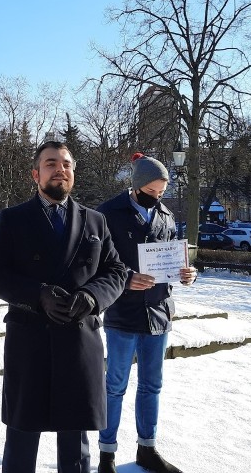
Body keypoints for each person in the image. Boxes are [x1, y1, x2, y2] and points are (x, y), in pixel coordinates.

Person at [0, 141, 128, 473]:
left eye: (66, 164)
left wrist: (92, 297)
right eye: (51, 163)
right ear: (36, 174)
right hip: (30, 342)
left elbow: (116, 271)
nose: (60, 169)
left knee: (76, 446)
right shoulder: (14, 219)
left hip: (79, 341)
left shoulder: (95, 222)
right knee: (21, 439)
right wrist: (38, 294)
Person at [95, 154, 197, 473]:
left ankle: (147, 448)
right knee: (115, 385)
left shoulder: (166, 215)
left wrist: (185, 274)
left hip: (159, 312)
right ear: (136, 186)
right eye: (152, 191)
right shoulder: (108, 213)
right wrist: (126, 278)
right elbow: (94, 261)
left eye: (162, 191)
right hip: (123, 313)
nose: (157, 197)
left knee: (152, 385)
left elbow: (171, 260)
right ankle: (106, 454)